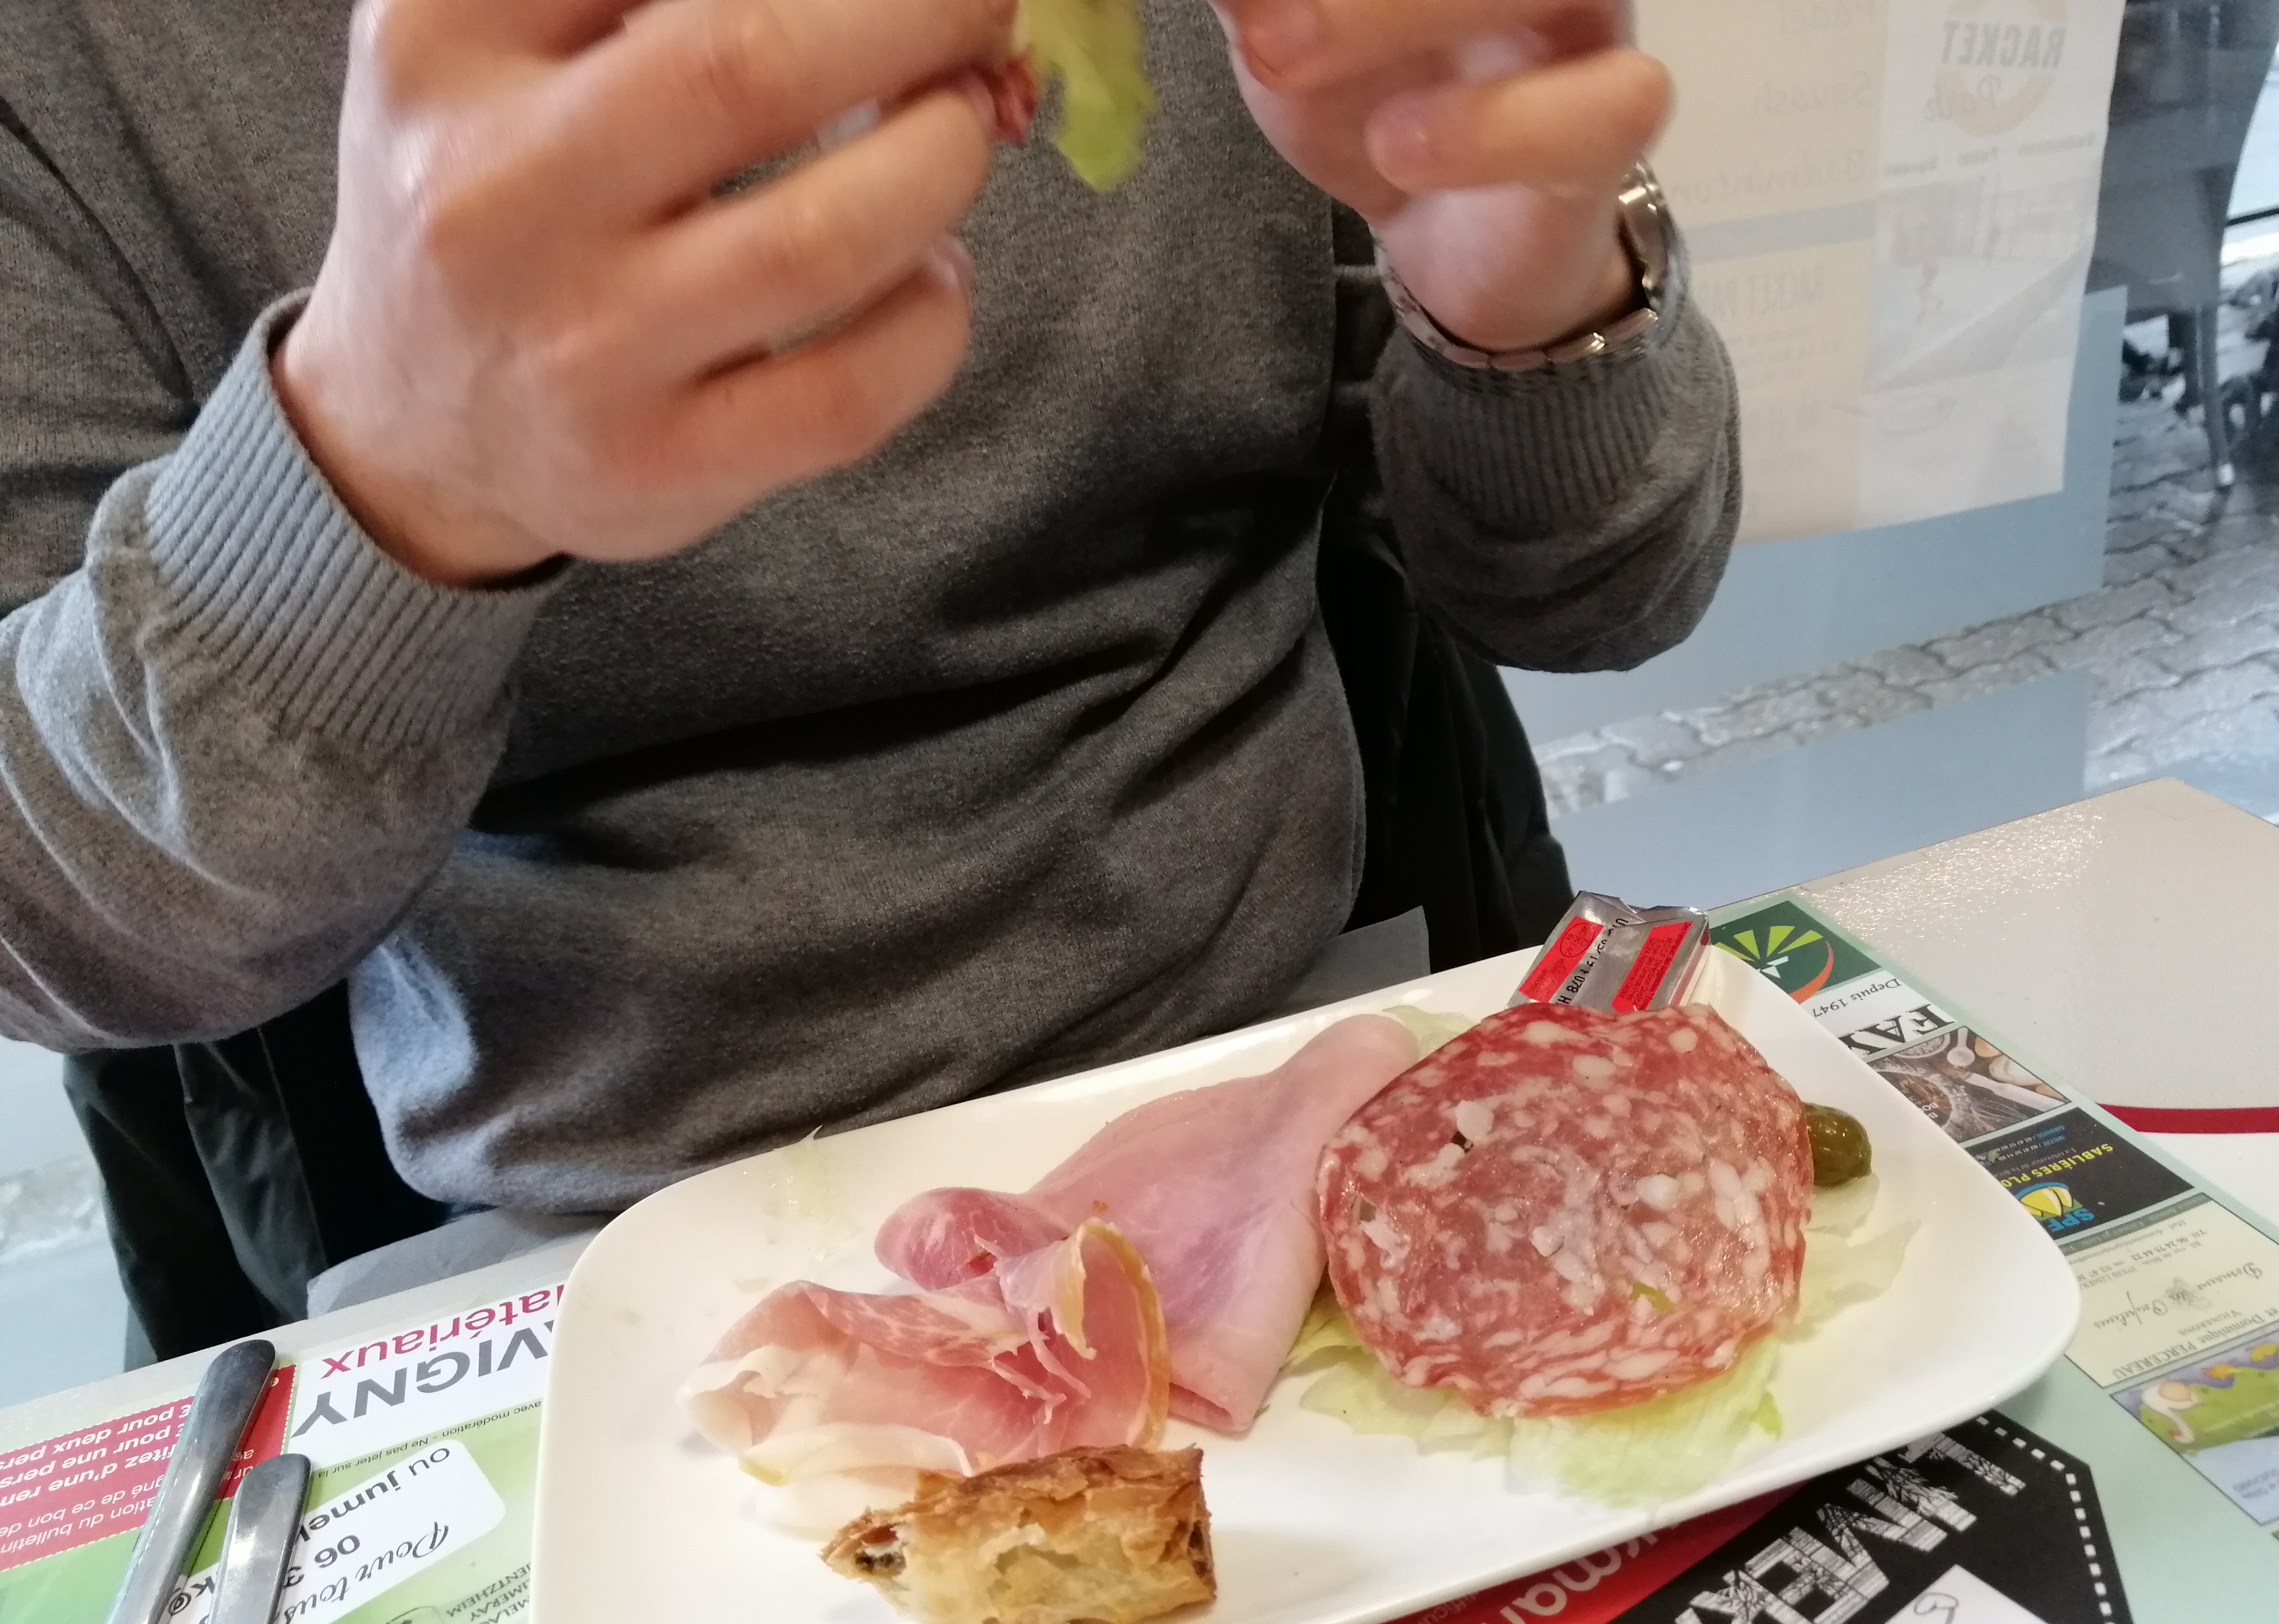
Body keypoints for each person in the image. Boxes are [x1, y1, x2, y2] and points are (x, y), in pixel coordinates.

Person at [0, 0, 1740, 1351]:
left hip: (1295, 1066)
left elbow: (1611, 585)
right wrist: (378, 473)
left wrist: (1525, 298)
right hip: (589, 1243)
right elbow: (56, 922)